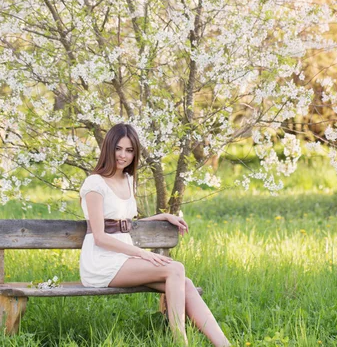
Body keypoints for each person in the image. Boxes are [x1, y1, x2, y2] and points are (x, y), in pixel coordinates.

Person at [79, 123, 230, 346]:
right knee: (175, 268)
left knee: (184, 283)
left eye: (129, 150)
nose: (123, 155)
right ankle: (181, 343)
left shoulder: (128, 180)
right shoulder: (95, 184)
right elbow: (100, 236)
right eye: (118, 148)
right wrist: (143, 254)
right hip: (101, 262)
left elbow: (124, 225)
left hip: (123, 260)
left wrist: (161, 217)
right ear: (108, 148)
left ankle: (224, 344)